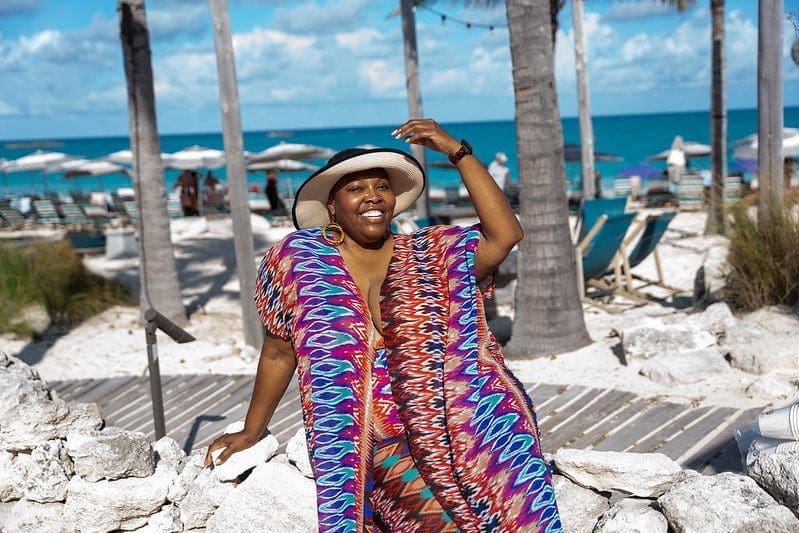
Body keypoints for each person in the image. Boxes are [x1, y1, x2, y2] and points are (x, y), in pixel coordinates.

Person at [205, 118, 562, 532]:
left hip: (471, 420)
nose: (373, 196)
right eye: (356, 188)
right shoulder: (300, 262)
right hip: (382, 442)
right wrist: (252, 430)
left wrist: (457, 151)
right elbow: (278, 351)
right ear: (332, 204)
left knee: (521, 509)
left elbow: (505, 235)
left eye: (381, 187)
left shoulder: (430, 253)